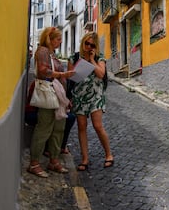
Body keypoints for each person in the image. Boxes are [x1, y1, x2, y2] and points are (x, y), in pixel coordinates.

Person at [28, 27, 75, 178]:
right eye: (58, 39)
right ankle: (34, 163)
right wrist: (63, 74)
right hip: (48, 95)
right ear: (49, 38)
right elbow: (43, 71)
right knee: (44, 129)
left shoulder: (52, 54)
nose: (60, 42)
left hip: (58, 97)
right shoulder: (42, 51)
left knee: (58, 129)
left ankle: (54, 161)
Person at [69, 32, 114, 171]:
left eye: (92, 45)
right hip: (79, 97)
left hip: (96, 97)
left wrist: (92, 61)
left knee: (98, 126)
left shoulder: (100, 58)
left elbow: (101, 74)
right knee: (81, 127)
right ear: (83, 43)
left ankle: (109, 155)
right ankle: (85, 159)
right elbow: (70, 77)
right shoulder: (74, 57)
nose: (89, 47)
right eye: (86, 43)